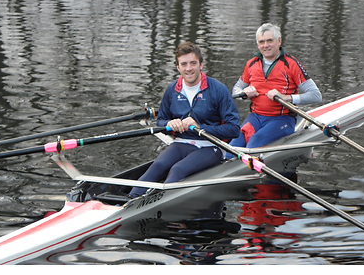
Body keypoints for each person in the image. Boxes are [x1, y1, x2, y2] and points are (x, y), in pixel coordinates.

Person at [129, 41, 240, 198]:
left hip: (210, 146)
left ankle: (154, 202)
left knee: (178, 169)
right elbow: (161, 121)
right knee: (158, 166)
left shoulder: (218, 89)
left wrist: (199, 127)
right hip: (181, 143)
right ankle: (127, 202)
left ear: (201, 65)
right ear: (178, 67)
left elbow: (234, 129)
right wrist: (168, 124)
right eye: (184, 64)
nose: (189, 68)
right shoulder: (172, 90)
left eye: (193, 63)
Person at [228, 23, 322, 155]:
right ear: (258, 44)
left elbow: (316, 95)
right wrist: (244, 93)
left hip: (282, 119)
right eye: (261, 42)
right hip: (255, 117)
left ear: (279, 41)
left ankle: (250, 167)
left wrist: (287, 98)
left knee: (254, 144)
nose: (265, 45)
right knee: (231, 148)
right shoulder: (251, 64)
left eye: (269, 41)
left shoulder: (291, 64)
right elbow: (236, 89)